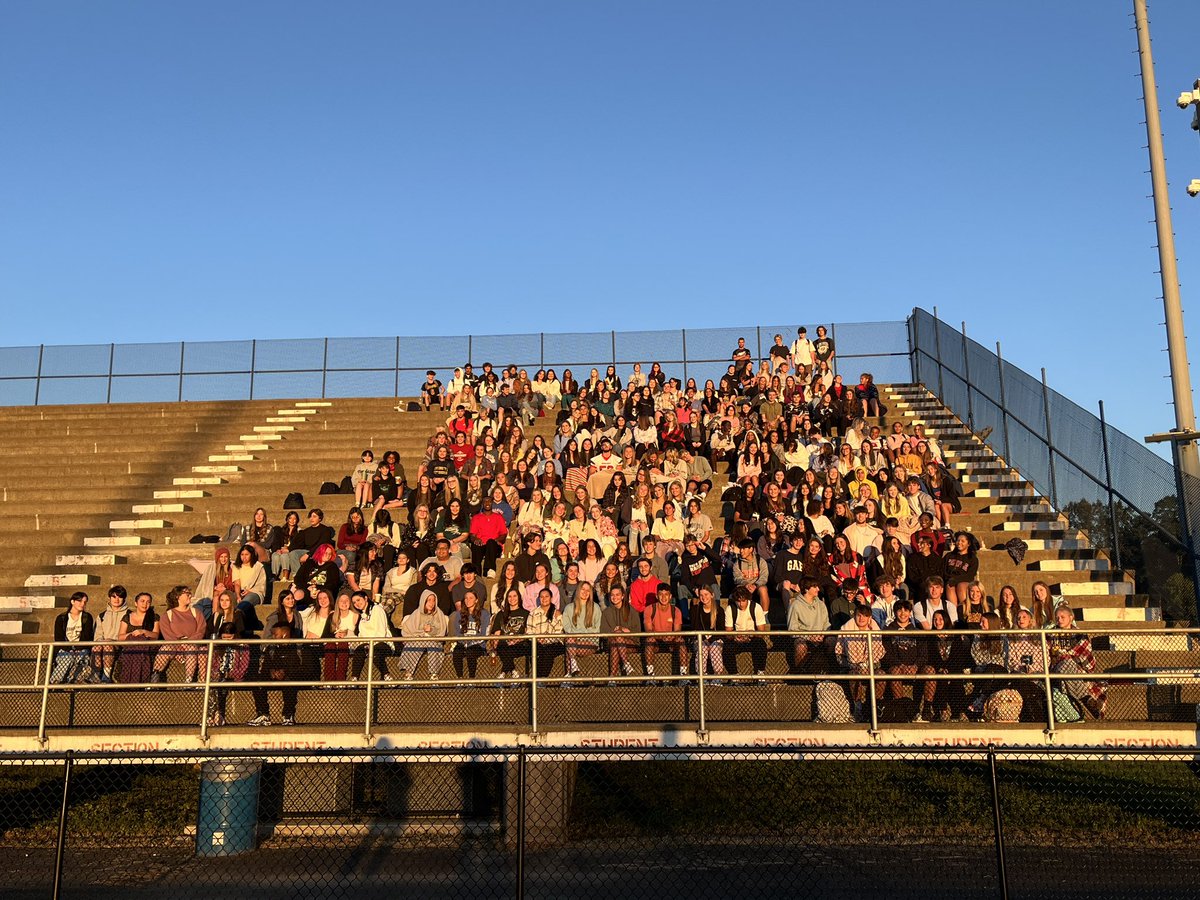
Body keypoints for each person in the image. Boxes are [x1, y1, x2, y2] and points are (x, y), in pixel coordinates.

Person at [1048, 603, 1107, 719]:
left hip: (1078, 668)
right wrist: (1064, 656)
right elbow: (1049, 653)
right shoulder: (1050, 634)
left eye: (1062, 617)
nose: (1059, 620)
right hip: (1056, 668)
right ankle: (1087, 700)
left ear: (1071, 618)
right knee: (1066, 664)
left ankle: (1075, 705)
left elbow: (1084, 654)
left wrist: (1065, 655)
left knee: (1068, 669)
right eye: (1057, 618)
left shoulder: (1080, 634)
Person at [834, 601, 884, 721]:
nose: (861, 618)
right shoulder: (846, 629)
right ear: (855, 616)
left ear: (869, 618)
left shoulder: (875, 630)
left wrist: (868, 665)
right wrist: (852, 665)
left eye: (865, 616)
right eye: (859, 615)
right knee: (853, 674)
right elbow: (839, 653)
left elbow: (878, 653)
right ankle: (858, 706)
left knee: (881, 675)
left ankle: (875, 706)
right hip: (852, 666)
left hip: (872, 666)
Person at [207, 589, 249, 726]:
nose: (224, 603)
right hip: (219, 648)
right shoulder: (217, 615)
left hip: (233, 649)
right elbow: (211, 632)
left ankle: (220, 714)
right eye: (221, 600)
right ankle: (211, 715)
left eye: (227, 600)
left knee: (222, 686)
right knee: (213, 684)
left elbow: (240, 633)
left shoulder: (237, 614)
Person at [247, 623, 303, 727]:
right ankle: (263, 714)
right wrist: (271, 671)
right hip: (274, 677)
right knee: (257, 681)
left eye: (275, 634)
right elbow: (265, 666)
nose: (273, 637)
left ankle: (288, 715)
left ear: (285, 635)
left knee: (290, 683)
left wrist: (285, 672)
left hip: (290, 677)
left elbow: (300, 666)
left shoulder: (297, 647)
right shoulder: (271, 648)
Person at [151, 585, 207, 683]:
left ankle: (188, 679)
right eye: (187, 593)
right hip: (174, 644)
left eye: (190, 593)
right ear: (178, 596)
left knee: (192, 649)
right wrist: (178, 645)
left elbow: (201, 630)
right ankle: (155, 675)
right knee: (165, 648)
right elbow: (167, 633)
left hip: (192, 644)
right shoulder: (168, 615)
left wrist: (188, 642)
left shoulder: (196, 613)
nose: (190, 596)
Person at [398, 588, 449, 681]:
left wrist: (431, 630)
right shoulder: (416, 613)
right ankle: (408, 674)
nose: (432, 603)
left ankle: (434, 674)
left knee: (434, 645)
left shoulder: (439, 614)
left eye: (433, 600)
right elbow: (407, 629)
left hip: (433, 639)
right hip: (419, 639)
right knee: (412, 644)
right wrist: (422, 631)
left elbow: (441, 631)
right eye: (429, 600)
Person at [643, 583, 690, 681]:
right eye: (661, 594)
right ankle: (650, 675)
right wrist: (660, 636)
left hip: (671, 641)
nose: (663, 597)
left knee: (680, 641)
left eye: (666, 594)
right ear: (657, 596)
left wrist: (670, 636)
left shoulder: (676, 611)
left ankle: (683, 675)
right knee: (649, 640)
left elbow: (677, 631)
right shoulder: (649, 609)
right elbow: (648, 630)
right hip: (655, 641)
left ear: (670, 596)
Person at [50, 592, 98, 684]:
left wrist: (77, 649)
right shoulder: (61, 618)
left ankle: (67, 681)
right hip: (64, 649)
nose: (82, 604)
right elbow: (58, 638)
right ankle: (55, 682)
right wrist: (69, 649)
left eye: (85, 602)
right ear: (72, 601)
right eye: (79, 601)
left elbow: (87, 636)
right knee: (67, 658)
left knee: (80, 658)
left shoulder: (87, 617)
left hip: (81, 648)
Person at [722, 586, 770, 678]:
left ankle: (760, 672)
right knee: (727, 647)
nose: (741, 604)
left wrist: (750, 635)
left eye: (743, 601)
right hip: (736, 639)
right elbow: (728, 632)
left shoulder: (756, 607)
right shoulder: (730, 609)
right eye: (738, 601)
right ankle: (734, 675)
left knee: (761, 644)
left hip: (752, 638)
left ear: (747, 599)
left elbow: (761, 631)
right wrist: (735, 637)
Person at [786, 577, 830, 674]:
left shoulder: (821, 604)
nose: (818, 589)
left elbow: (827, 624)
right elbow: (792, 629)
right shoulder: (795, 605)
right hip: (803, 638)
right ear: (806, 589)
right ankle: (799, 673)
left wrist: (823, 635)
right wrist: (809, 637)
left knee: (832, 642)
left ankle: (832, 673)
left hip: (820, 637)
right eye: (814, 587)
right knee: (800, 646)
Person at [348, 590, 393, 682]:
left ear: (365, 598)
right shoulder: (361, 615)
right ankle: (354, 677)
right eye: (354, 602)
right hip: (367, 644)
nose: (357, 603)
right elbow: (361, 634)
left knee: (374, 651)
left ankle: (386, 675)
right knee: (359, 650)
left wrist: (371, 644)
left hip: (383, 643)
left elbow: (380, 631)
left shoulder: (377, 609)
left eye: (358, 600)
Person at [488, 587, 531, 680]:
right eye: (509, 597)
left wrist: (517, 639)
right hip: (504, 644)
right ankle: (513, 671)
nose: (512, 599)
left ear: (519, 597)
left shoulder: (526, 613)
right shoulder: (501, 614)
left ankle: (503, 672)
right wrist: (495, 642)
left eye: (515, 596)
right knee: (502, 644)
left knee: (509, 647)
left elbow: (528, 632)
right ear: (506, 599)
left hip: (520, 644)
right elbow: (497, 632)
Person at [117, 591, 160, 683]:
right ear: (136, 603)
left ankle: (141, 680)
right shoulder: (127, 617)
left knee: (141, 643)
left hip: (147, 647)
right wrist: (132, 634)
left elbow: (156, 635)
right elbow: (120, 637)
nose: (145, 604)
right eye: (142, 601)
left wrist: (143, 631)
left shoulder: (154, 617)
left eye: (148, 602)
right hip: (131, 646)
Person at [562, 581, 603, 678]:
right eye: (583, 589)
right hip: (574, 642)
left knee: (570, 645)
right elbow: (567, 628)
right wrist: (577, 636)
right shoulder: (569, 608)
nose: (585, 592)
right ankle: (572, 666)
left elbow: (596, 629)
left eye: (588, 590)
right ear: (578, 591)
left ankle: (569, 674)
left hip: (590, 642)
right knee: (569, 640)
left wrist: (579, 635)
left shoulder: (595, 607)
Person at [600, 585, 641, 679]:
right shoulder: (606, 612)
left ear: (623, 596)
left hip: (630, 643)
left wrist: (622, 630)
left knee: (616, 642)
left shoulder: (631, 610)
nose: (615, 597)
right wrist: (620, 632)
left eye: (617, 595)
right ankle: (626, 664)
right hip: (612, 642)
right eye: (612, 595)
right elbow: (604, 632)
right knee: (616, 641)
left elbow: (637, 632)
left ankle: (612, 678)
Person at [450, 588, 491, 680]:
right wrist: (464, 642)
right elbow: (458, 632)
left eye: (471, 598)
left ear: (476, 600)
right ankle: (459, 677)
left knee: (470, 652)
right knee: (457, 653)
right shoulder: (460, 614)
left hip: (478, 644)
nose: (468, 600)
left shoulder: (484, 614)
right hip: (463, 642)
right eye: (466, 598)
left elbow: (484, 633)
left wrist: (471, 642)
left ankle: (471, 678)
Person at [92, 585, 128, 683]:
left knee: (107, 645)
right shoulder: (102, 615)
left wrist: (112, 641)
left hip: (120, 645)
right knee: (96, 646)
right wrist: (101, 641)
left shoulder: (129, 614)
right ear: (110, 598)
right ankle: (96, 674)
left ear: (124, 598)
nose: (116, 599)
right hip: (103, 644)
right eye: (114, 596)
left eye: (120, 597)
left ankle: (106, 676)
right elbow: (98, 634)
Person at [527, 587, 565, 679]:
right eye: (541, 597)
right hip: (537, 642)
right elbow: (529, 631)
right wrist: (538, 639)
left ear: (551, 598)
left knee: (548, 651)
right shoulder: (533, 613)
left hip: (554, 643)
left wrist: (547, 640)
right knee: (536, 650)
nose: (544, 599)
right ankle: (538, 677)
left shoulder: (557, 613)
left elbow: (559, 632)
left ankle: (541, 677)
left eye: (546, 596)